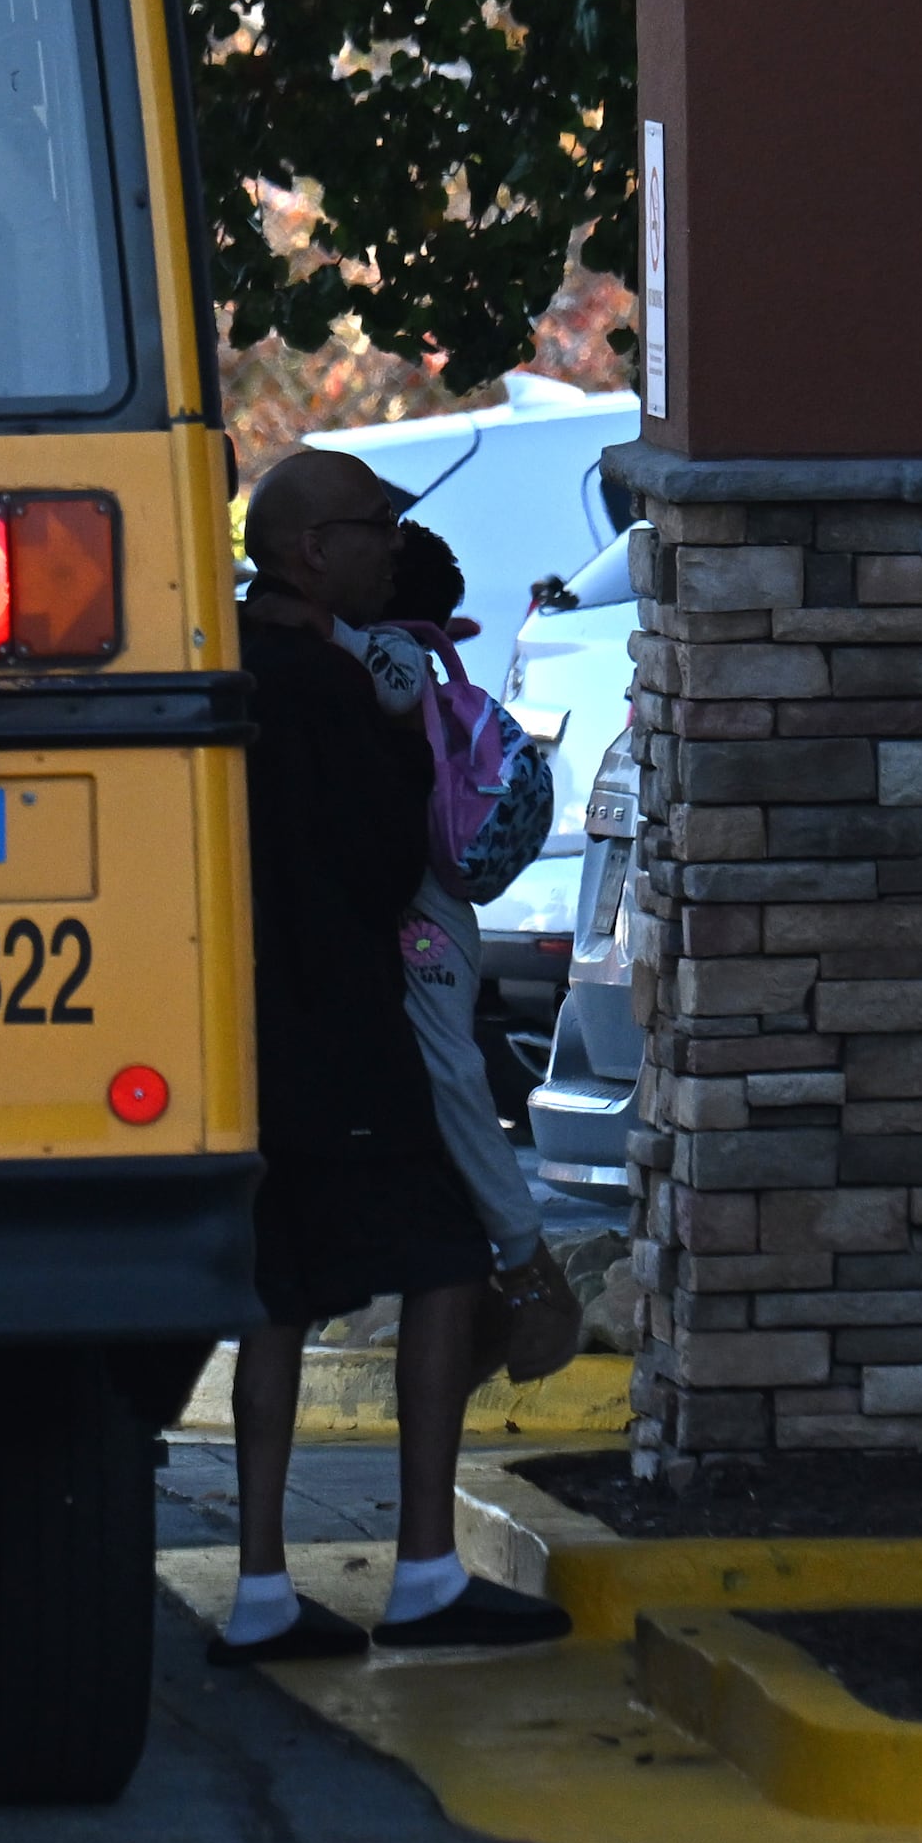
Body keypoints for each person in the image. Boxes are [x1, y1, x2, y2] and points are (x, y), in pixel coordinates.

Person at [212, 449, 573, 1661]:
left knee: (274, 1301)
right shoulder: (333, 689)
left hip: (245, 1045)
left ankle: (260, 1589)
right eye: (377, 525)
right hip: (349, 1038)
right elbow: (379, 865)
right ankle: (424, 1570)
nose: (391, 546)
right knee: (443, 1259)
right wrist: (403, 741)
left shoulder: (226, 666)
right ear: (315, 551)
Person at [364, 523, 584, 1376]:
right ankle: (506, 1274)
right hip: (439, 901)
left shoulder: (386, 658)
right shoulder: (408, 659)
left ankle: (524, 1267)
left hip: (422, 901)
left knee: (450, 1070)